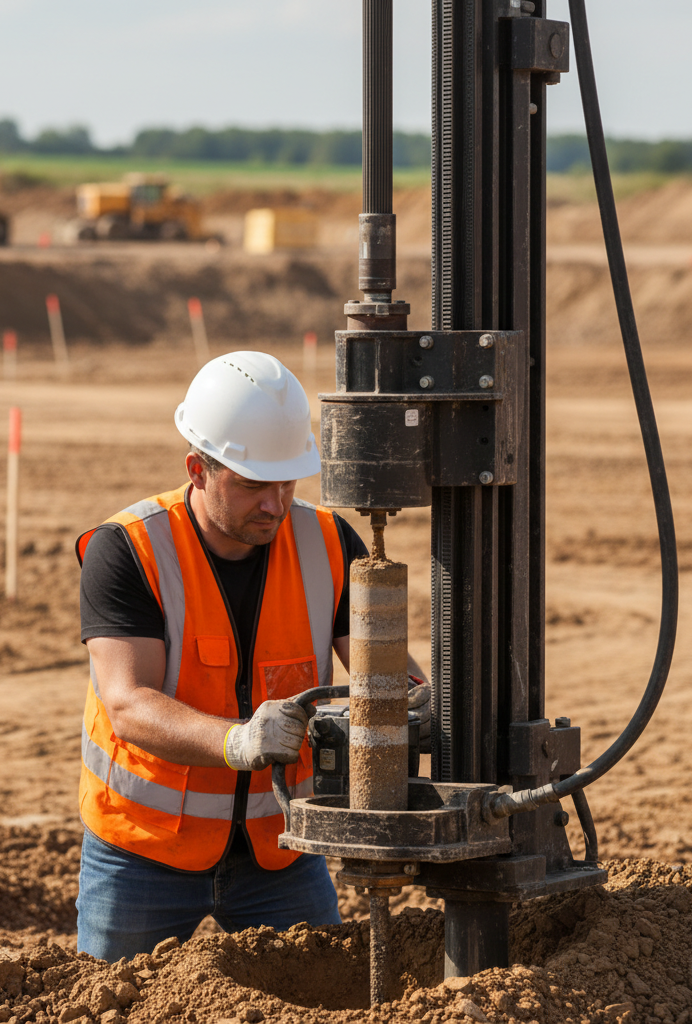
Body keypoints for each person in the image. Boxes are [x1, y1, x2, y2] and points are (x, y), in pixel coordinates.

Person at [74, 350, 428, 961]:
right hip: (144, 853)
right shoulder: (129, 549)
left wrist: (422, 703)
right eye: (253, 484)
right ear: (198, 468)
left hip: (282, 852)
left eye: (288, 481)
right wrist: (238, 740)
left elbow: (391, 677)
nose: (275, 503)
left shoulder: (326, 543)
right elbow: (129, 704)